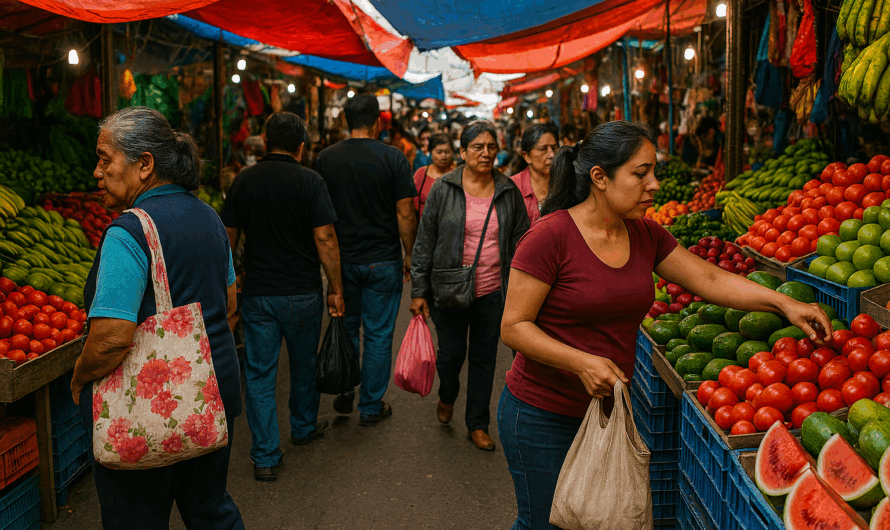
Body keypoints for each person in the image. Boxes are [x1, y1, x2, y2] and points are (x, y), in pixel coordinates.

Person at [496, 120, 833, 529]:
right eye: (641, 174)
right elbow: (514, 326)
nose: (654, 184)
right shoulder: (550, 237)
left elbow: (709, 279)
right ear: (600, 177)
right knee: (544, 523)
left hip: (607, 411)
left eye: (654, 171)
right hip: (540, 415)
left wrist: (784, 304)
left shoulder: (646, 235)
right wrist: (580, 362)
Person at [70, 107, 245, 529]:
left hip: (147, 410)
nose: (97, 171)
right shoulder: (210, 218)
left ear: (144, 164)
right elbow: (231, 305)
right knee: (209, 511)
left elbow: (112, 337)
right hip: (212, 396)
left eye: (105, 158)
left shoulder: (128, 232)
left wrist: (78, 377)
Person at [222, 112, 345, 481]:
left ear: (264, 139)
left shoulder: (244, 180)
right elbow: (325, 239)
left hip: (258, 293)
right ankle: (303, 427)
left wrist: (229, 286)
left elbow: (227, 238)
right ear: (302, 146)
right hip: (303, 293)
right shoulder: (311, 181)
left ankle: (264, 455)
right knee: (304, 365)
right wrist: (336, 290)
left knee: (260, 374)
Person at [410, 121, 530, 451]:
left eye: (491, 146)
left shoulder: (507, 190)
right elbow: (425, 240)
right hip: (448, 288)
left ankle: (477, 422)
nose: (486, 153)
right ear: (462, 153)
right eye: (477, 147)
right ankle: (447, 395)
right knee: (450, 355)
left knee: (484, 358)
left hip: (492, 291)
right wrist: (418, 290)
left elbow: (522, 239)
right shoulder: (443, 188)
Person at [315, 94, 418, 426]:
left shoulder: (325, 159)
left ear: (345, 121)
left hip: (341, 262)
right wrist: (409, 254)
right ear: (378, 121)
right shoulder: (394, 158)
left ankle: (346, 387)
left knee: (347, 327)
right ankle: (371, 406)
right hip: (383, 260)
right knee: (378, 335)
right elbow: (405, 213)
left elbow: (321, 221)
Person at [510, 124, 559, 225]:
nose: (552, 155)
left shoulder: (565, 182)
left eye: (554, 148)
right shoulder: (512, 188)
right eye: (543, 149)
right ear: (527, 156)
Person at [413, 133, 455, 218]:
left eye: (447, 152)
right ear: (431, 152)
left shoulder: (457, 174)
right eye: (439, 152)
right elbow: (413, 203)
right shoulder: (421, 173)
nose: (443, 156)